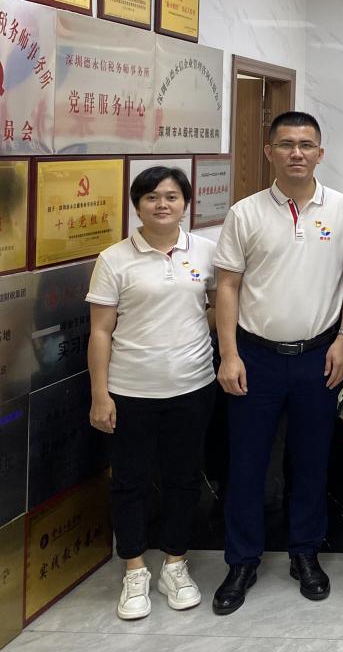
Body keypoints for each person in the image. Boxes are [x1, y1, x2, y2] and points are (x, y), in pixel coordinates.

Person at [211, 111, 343, 615]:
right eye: (286, 144)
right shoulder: (245, 213)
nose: (296, 153)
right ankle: (242, 561)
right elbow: (227, 286)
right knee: (246, 464)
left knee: (311, 461)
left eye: (306, 144)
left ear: (321, 153)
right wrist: (229, 353)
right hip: (253, 357)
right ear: (269, 152)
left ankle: (305, 553)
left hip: (319, 356)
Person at [86, 166, 218, 620]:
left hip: (192, 385)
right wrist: (100, 394)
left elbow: (218, 307)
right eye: (151, 197)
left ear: (186, 204)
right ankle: (135, 568)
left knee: (184, 479)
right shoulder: (114, 259)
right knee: (130, 481)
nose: (162, 204)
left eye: (172, 196)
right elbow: (100, 331)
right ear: (137, 205)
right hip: (130, 390)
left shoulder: (206, 252)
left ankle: (175, 564)